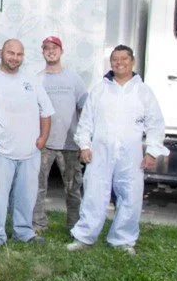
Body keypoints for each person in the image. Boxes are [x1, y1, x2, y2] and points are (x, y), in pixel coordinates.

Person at [68, 45, 168, 255]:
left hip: (130, 154)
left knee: (130, 194)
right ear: (110, 63)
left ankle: (122, 240)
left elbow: (155, 124)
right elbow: (86, 120)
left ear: (133, 62)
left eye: (124, 59)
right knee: (94, 193)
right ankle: (85, 237)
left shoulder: (143, 92)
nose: (119, 62)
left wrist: (151, 151)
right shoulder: (100, 89)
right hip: (100, 151)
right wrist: (84, 145)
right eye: (115, 59)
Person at [0, 39, 54, 248]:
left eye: (19, 54)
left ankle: (23, 231)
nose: (14, 58)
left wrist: (42, 139)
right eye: (10, 53)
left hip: (29, 152)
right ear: (1, 53)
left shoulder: (31, 80)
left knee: (26, 195)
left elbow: (46, 111)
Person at [34, 36, 87, 232]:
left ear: (61, 51)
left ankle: (74, 226)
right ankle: (38, 224)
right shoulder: (37, 79)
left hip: (70, 144)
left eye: (54, 47)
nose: (51, 51)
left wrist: (84, 142)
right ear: (43, 52)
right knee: (38, 187)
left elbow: (85, 110)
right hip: (44, 143)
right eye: (46, 48)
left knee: (73, 188)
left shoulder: (74, 79)